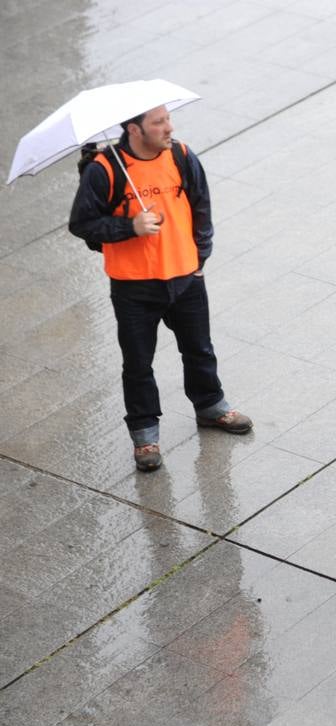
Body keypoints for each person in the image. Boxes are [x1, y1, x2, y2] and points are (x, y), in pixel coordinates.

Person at [68, 104, 251, 473]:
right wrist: (129, 228)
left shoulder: (181, 155)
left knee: (199, 349)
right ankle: (145, 434)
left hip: (185, 279)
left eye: (167, 119)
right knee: (138, 364)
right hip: (133, 287)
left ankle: (210, 405)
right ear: (135, 129)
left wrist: (199, 257)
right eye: (159, 122)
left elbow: (202, 207)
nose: (169, 127)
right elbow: (82, 224)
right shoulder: (104, 171)